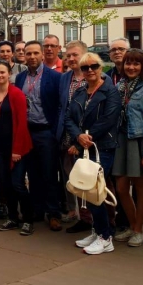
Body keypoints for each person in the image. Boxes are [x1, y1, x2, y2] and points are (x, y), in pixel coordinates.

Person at [66, 53, 122, 255]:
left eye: (94, 66)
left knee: (95, 190)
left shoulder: (110, 91)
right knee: (85, 190)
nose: (90, 70)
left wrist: (85, 137)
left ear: (101, 67)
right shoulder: (80, 91)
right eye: (85, 67)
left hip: (101, 147)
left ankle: (106, 237)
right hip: (83, 146)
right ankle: (97, 230)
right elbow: (68, 118)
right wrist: (78, 136)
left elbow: (108, 119)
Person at [15, 41, 63, 231]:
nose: (32, 57)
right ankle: (38, 209)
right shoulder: (20, 77)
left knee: (49, 173)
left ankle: (54, 213)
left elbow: (60, 106)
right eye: (28, 53)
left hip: (46, 131)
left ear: (42, 54)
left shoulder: (55, 77)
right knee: (33, 173)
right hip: (27, 131)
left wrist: (55, 132)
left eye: (36, 53)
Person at [111, 49, 143, 247]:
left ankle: (138, 229)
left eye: (136, 63)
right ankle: (131, 224)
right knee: (121, 188)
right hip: (120, 139)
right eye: (128, 63)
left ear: (142, 66)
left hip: (138, 140)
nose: (131, 67)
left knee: (139, 186)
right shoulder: (119, 86)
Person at [0, 60, 34, 233]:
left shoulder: (16, 94)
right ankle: (13, 217)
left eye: (2, 72)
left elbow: (21, 124)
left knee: (18, 184)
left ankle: (28, 219)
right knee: (5, 184)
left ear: (9, 74)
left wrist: (17, 150)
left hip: (17, 147)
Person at [55, 41, 90, 233]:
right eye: (67, 55)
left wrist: (79, 140)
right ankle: (72, 210)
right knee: (68, 174)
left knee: (85, 176)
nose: (70, 58)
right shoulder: (64, 78)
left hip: (85, 136)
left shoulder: (94, 77)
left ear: (84, 54)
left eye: (75, 54)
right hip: (65, 134)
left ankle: (88, 216)